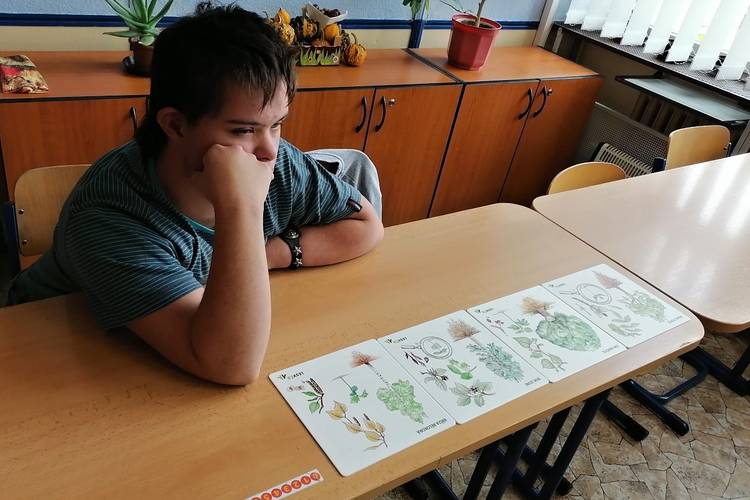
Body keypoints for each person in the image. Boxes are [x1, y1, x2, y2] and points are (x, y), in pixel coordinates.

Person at [5, 2, 384, 385]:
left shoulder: (276, 160)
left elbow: (366, 225)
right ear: (175, 125)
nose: (270, 151)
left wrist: (270, 253)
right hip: (44, 353)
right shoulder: (107, 216)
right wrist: (241, 207)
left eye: (277, 124)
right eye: (243, 130)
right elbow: (230, 365)